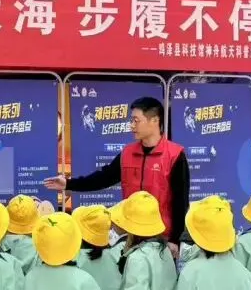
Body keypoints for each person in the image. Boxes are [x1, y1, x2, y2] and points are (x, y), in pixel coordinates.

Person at [44, 97, 190, 254]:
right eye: (131, 120)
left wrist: (175, 239)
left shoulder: (174, 155)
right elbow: (103, 178)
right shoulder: (127, 153)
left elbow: (180, 201)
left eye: (136, 121)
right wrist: (69, 184)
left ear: (154, 120)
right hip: (130, 236)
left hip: (161, 238)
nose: (131, 125)